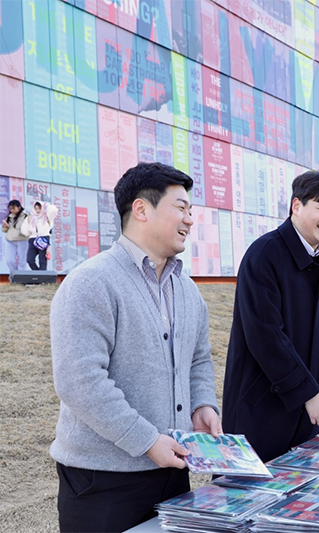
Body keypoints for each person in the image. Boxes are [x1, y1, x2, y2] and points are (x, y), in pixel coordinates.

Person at [49, 162, 221, 532]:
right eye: (180, 207)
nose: (190, 219)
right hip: (103, 479)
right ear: (141, 209)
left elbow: (198, 360)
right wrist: (145, 440)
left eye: (191, 210)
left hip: (172, 470)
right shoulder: (91, 282)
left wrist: (203, 404)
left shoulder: (187, 290)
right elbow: (80, 381)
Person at [222, 169, 319, 461]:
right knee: (248, 498)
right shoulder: (264, 254)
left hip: (305, 417)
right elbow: (265, 335)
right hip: (259, 412)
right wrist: (309, 394)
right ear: (297, 206)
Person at [21, 200, 58, 270]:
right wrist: (29, 233)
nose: (37, 210)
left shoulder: (47, 216)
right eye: (36, 208)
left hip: (43, 238)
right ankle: (38, 275)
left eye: (39, 208)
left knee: (42, 260)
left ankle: (42, 278)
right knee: (30, 259)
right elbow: (24, 229)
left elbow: (53, 210)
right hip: (32, 238)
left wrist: (47, 206)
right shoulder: (30, 217)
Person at [2, 199, 29, 272]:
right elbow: (4, 230)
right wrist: (5, 226)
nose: (12, 210)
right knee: (9, 260)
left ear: (19, 207)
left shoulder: (26, 216)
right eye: (10, 208)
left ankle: (21, 277)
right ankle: (14, 276)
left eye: (13, 208)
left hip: (22, 240)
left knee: (22, 261)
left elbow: (29, 229)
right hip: (10, 240)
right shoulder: (9, 217)